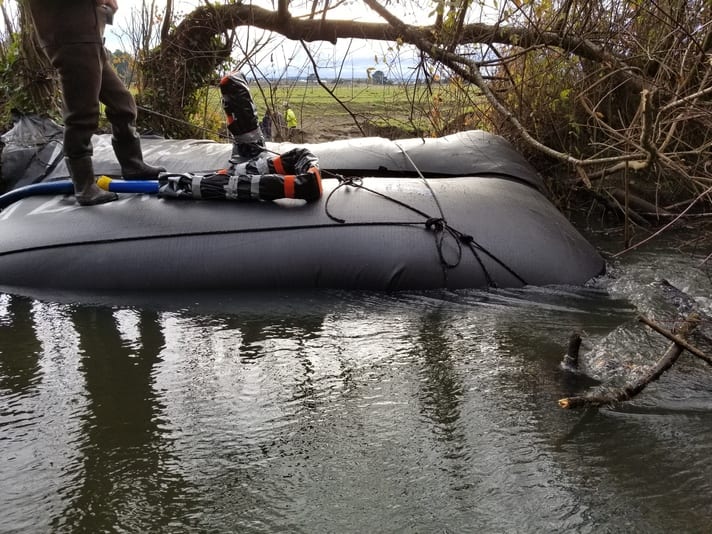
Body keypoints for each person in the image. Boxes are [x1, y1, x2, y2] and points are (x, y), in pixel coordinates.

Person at [27, 0, 164, 206]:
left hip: (90, 36)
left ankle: (132, 165)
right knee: (82, 112)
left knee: (122, 104)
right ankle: (84, 185)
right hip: (71, 36)